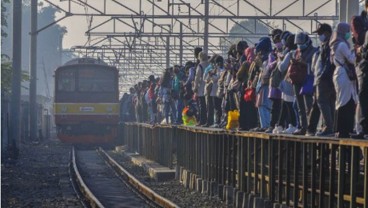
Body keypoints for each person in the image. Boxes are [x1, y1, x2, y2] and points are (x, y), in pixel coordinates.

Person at [329, 22, 358, 138]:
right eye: (347, 31)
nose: (348, 34)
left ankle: (339, 128)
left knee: (341, 101)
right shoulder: (342, 45)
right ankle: (344, 129)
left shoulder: (334, 45)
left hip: (338, 73)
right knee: (346, 101)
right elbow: (351, 60)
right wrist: (358, 53)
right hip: (343, 74)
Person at [307, 23, 335, 136]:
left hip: (324, 79)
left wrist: (322, 75)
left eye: (320, 33)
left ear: (327, 33)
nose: (319, 36)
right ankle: (328, 127)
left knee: (322, 102)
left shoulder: (329, 45)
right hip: (326, 78)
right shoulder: (325, 44)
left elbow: (328, 62)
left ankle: (328, 127)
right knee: (328, 102)